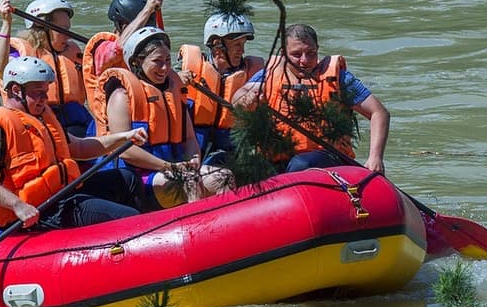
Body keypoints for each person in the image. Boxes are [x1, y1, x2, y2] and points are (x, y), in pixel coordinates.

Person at [0, 57, 146, 230]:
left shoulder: (41, 118)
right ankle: (135, 237)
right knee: (129, 217)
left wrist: (124, 137)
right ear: (17, 90)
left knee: (127, 178)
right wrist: (18, 205)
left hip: (60, 194)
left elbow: (80, 147)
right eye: (38, 93)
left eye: (45, 91)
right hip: (35, 210)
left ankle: (146, 233)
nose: (45, 98)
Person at [102, 26, 232, 209]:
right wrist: (168, 167)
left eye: (168, 60)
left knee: (224, 177)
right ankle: (198, 229)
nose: (165, 68)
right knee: (189, 181)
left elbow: (189, 139)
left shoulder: (174, 92)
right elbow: (125, 151)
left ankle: (225, 228)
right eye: (157, 61)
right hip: (141, 177)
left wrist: (193, 160)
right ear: (136, 62)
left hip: (175, 169)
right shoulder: (121, 97)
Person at [240, 22, 390, 175]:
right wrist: (246, 98)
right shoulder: (268, 75)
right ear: (283, 53)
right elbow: (240, 95)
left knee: (301, 164)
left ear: (317, 49)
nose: (304, 61)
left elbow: (378, 112)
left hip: (327, 158)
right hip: (277, 158)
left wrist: (375, 157)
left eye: (311, 53)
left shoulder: (339, 79)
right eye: (297, 54)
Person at [0, 0, 92, 139]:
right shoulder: (19, 54)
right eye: (63, 30)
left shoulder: (72, 51)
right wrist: (6, 23)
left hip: (77, 118)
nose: (68, 36)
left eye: (69, 30)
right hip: (40, 121)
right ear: (42, 28)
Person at [177, 12, 264, 161]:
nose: (242, 50)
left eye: (243, 44)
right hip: (193, 141)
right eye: (237, 44)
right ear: (217, 45)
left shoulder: (254, 74)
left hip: (230, 143)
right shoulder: (185, 70)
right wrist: (174, 81)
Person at [81, 0, 162, 127]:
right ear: (122, 25)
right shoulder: (102, 48)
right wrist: (147, 10)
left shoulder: (144, 51)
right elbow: (120, 47)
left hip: (142, 119)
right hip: (109, 127)